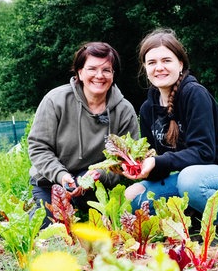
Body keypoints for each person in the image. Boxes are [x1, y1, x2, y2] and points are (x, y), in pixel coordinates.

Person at [121, 28, 218, 234]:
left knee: (190, 179)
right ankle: (195, 220)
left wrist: (158, 161)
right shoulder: (147, 109)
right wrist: (143, 168)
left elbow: (204, 153)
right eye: (152, 63)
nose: (159, 68)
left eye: (166, 60)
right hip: (195, 181)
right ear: (145, 68)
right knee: (133, 197)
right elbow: (161, 164)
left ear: (180, 64)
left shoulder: (194, 94)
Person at [28, 42, 139, 228]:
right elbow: (39, 147)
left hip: (96, 185)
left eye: (106, 70)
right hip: (53, 182)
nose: (99, 75)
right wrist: (61, 176)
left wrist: (100, 175)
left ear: (113, 74)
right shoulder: (55, 100)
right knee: (47, 230)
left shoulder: (124, 110)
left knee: (111, 228)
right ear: (80, 72)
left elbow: (127, 161)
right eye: (92, 69)